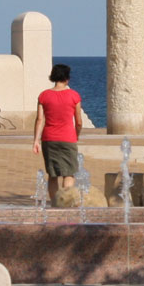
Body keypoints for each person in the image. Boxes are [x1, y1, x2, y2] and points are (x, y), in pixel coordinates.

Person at [32, 64, 85, 203]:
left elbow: (39, 119)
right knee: (69, 173)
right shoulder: (74, 96)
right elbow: (79, 121)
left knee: (53, 174)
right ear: (67, 78)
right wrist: (76, 135)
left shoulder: (44, 96)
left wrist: (36, 141)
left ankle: (54, 204)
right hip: (68, 138)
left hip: (49, 139)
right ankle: (65, 203)